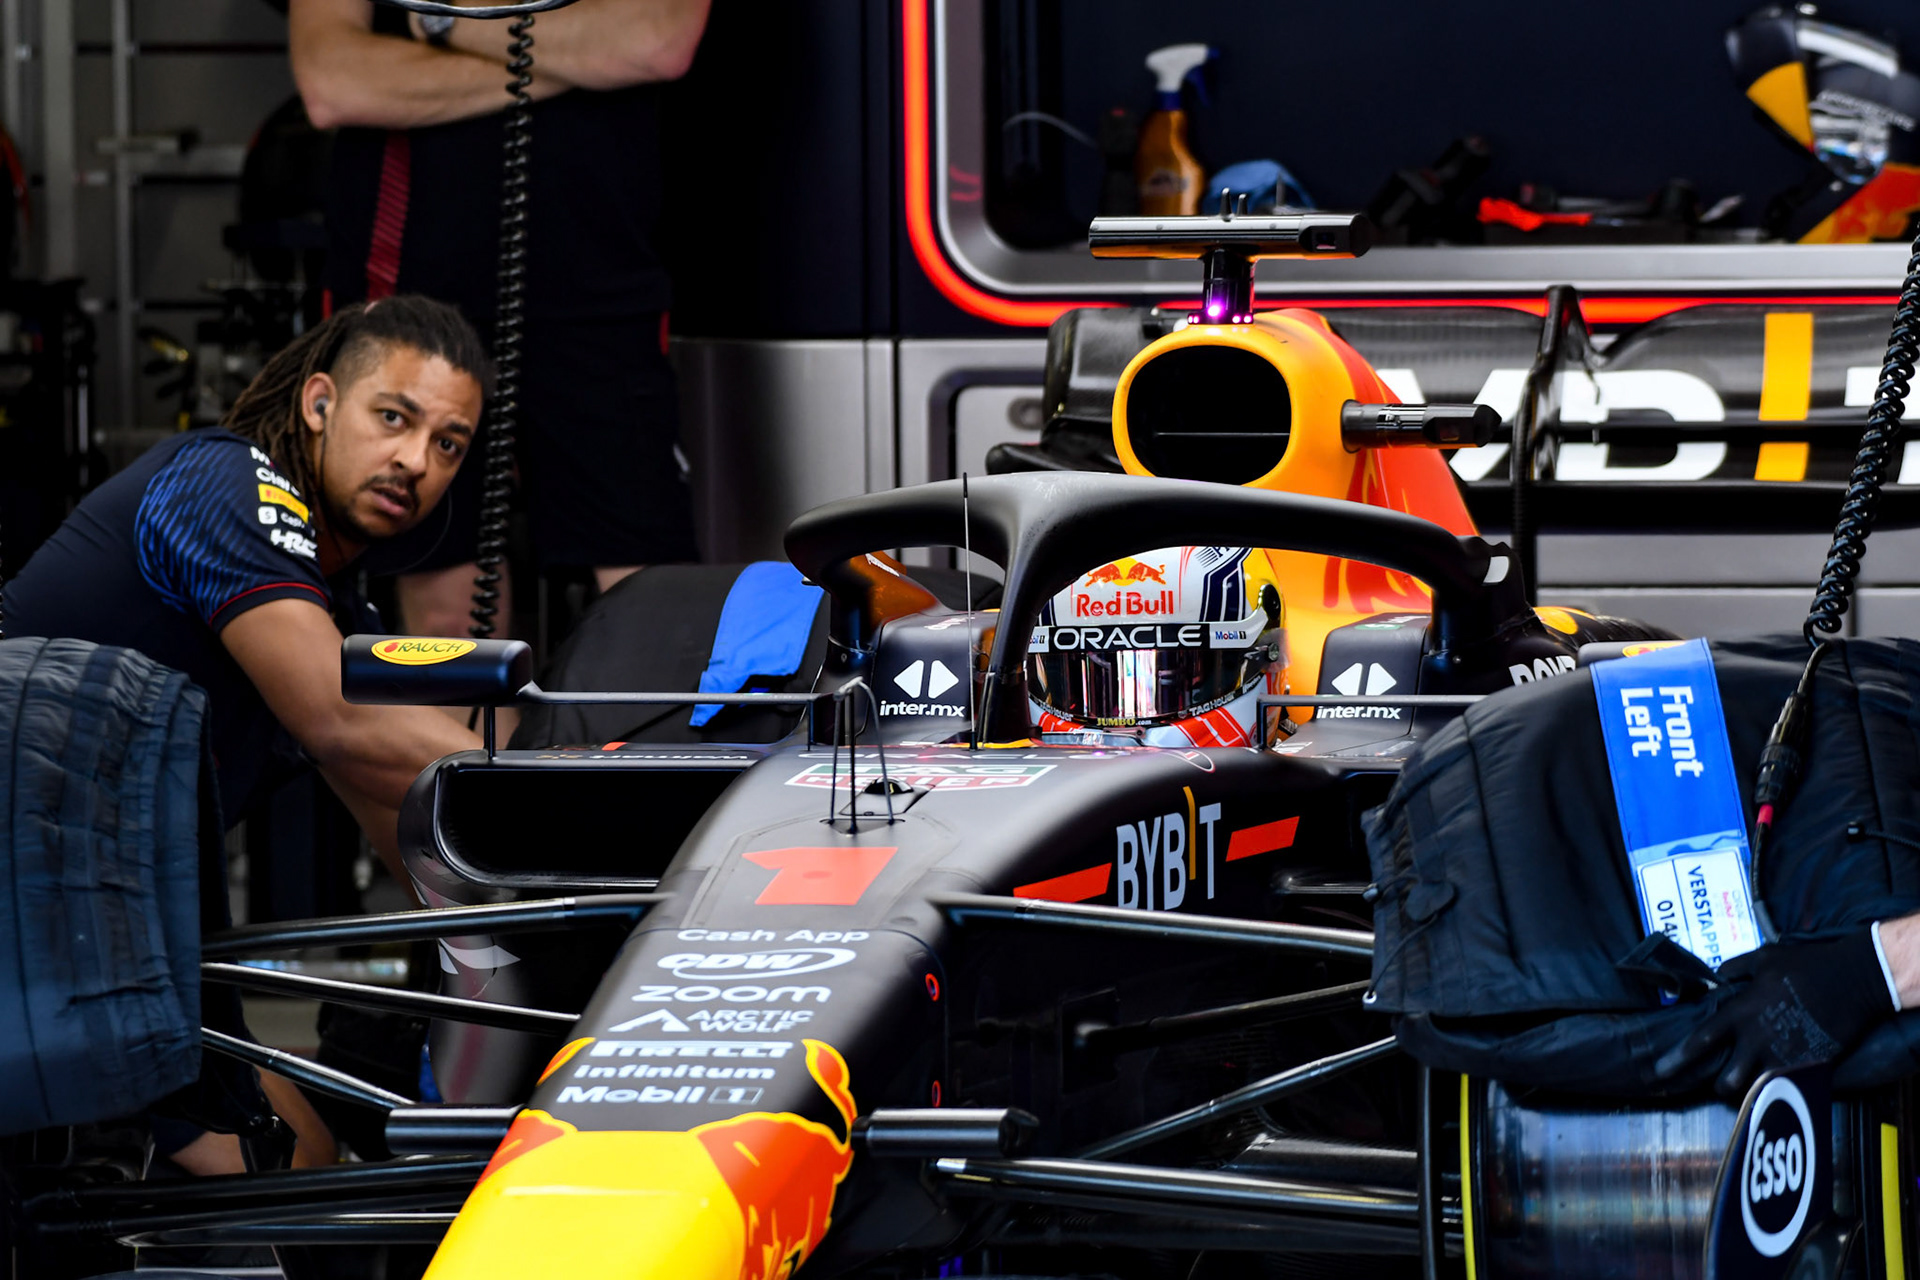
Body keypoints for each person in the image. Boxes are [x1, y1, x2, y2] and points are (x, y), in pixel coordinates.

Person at [3, 296, 489, 873]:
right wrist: (561, 781)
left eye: (447, 445)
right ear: (319, 403)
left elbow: (425, 851)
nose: (415, 460)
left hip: (83, 889)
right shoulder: (221, 482)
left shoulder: (342, 621)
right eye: (393, 418)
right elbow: (338, 716)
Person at [288, 0, 709, 641]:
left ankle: (644, 747)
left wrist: (441, 26)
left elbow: (655, 40)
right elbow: (333, 82)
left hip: (600, 278)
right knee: (447, 617)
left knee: (646, 596)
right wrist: (571, 59)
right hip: (405, 283)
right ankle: (470, 746)